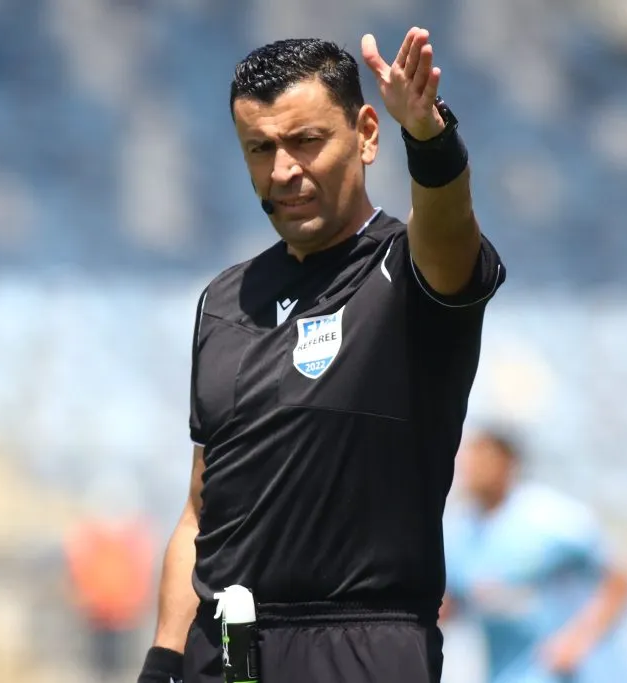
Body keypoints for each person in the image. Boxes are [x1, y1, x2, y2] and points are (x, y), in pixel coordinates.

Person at [136, 30, 505, 683]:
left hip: (361, 647)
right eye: (260, 149)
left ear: (366, 133)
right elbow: (200, 507)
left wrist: (430, 137)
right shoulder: (224, 300)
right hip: (220, 652)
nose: (283, 171)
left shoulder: (410, 270)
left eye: (305, 141)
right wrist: (163, 660)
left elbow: (449, 230)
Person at [441, 429, 627, 683]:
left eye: (481, 458)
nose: (471, 467)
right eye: (468, 458)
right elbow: (453, 602)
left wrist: (579, 639)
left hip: (556, 675)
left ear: (508, 464)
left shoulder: (553, 520)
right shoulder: (459, 530)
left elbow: (623, 578)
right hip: (499, 674)